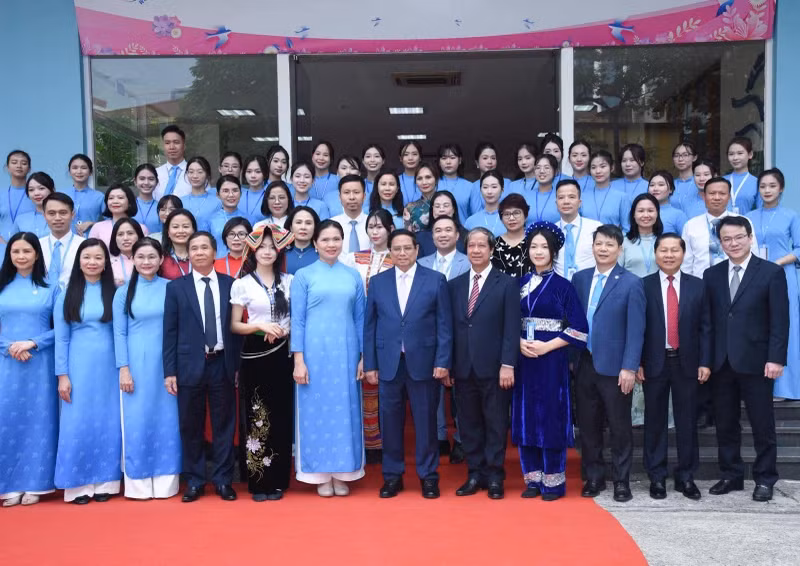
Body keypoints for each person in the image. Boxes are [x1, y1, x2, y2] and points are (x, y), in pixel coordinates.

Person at [704, 216, 789, 502]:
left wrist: (776, 358)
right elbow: (709, 322)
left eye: (738, 237)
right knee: (726, 423)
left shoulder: (770, 272)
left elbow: (780, 320)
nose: (733, 243)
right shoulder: (712, 275)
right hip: (722, 361)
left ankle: (765, 478)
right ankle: (731, 474)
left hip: (757, 361)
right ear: (720, 243)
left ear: (750, 237)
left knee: (762, 423)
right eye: (726, 239)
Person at [363, 229, 452, 499]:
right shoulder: (378, 282)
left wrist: (443, 361)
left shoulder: (435, 280)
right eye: (397, 249)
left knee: (425, 422)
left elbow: (444, 325)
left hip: (425, 363)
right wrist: (370, 363)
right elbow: (370, 325)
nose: (402, 253)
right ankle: (392, 476)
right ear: (390, 252)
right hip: (389, 363)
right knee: (389, 422)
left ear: (416, 250)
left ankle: (428, 476)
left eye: (407, 248)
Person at [163, 231, 242, 502]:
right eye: (193, 248)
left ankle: (223, 480)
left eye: (204, 248)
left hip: (223, 363)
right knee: (190, 425)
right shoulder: (176, 288)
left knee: (224, 425)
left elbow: (237, 330)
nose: (198, 252)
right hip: (188, 365)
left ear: (213, 251)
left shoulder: (231, 284)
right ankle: (195, 480)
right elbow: (169, 332)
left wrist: (238, 366)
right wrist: (169, 371)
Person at [290, 220, 366, 496]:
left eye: (336, 239)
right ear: (315, 244)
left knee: (345, 411)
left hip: (345, 354)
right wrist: (299, 359)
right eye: (325, 240)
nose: (331, 244)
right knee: (315, 411)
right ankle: (319, 474)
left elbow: (360, 319)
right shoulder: (304, 275)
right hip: (313, 354)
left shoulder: (352, 275)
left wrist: (362, 356)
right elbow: (297, 321)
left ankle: (344, 472)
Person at [572, 224, 645, 503]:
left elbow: (636, 329)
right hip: (584, 363)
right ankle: (594, 477)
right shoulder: (579, 279)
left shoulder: (631, 282)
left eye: (609, 245)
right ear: (592, 247)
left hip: (616, 368)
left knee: (619, 426)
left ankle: (621, 481)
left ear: (619, 249)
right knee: (588, 426)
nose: (603, 249)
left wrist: (629, 367)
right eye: (599, 244)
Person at [515, 222, 588, 500]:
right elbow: (509, 321)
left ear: (554, 251)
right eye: (533, 246)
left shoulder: (563, 287)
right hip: (524, 359)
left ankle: (554, 481)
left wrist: (547, 347)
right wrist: (518, 342)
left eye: (544, 247)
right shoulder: (519, 283)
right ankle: (532, 478)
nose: (538, 251)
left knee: (551, 417)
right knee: (526, 416)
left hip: (551, 359)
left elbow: (579, 328)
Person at [449, 227, 519, 499]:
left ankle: (494, 476)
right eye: (471, 246)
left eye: (481, 245)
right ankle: (474, 473)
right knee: (468, 424)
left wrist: (508, 364)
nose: (476, 250)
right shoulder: (454, 285)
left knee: (495, 422)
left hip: (495, 368)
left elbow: (512, 328)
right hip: (463, 367)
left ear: (491, 250)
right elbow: (451, 328)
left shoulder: (507, 283)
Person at [639, 233, 710, 501]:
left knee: (687, 421)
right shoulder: (642, 286)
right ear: (655, 254)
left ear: (683, 254)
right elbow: (638, 328)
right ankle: (656, 477)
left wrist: (705, 361)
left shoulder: (698, 286)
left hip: (687, 362)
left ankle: (686, 476)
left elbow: (706, 327)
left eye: (674, 250)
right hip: (654, 363)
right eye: (663, 250)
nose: (669, 255)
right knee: (655, 422)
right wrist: (637, 362)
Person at [113, 237, 181, 499]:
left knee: (168, 419)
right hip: (136, 365)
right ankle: (138, 482)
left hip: (166, 364)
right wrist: (124, 368)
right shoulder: (123, 292)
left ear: (161, 259)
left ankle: (166, 482)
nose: (146, 262)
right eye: (140, 257)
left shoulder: (172, 288)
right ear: (132, 259)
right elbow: (119, 333)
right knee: (138, 420)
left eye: (152, 256)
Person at [54, 238, 121, 503]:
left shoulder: (115, 293)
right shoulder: (66, 293)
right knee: (77, 423)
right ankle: (77, 484)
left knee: (108, 422)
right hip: (77, 367)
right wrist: (63, 375)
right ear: (78, 262)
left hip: (109, 367)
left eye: (98, 258)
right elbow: (61, 338)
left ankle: (106, 481)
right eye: (87, 257)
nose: (92, 262)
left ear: (106, 263)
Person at [231, 224, 295, 501]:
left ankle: (279, 479)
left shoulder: (290, 281)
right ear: (253, 251)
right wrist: (261, 326)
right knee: (257, 416)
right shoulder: (241, 283)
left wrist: (281, 330)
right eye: (263, 247)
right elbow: (234, 325)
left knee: (281, 415)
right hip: (255, 351)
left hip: (283, 350)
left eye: (272, 247)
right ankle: (259, 482)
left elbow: (297, 319)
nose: (267, 251)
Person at [0, 233, 58, 507]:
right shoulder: (2, 286)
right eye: (15, 251)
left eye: (27, 251)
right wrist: (10, 347)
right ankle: (8, 484)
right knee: (7, 421)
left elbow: (61, 329)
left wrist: (33, 342)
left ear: (37, 254)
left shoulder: (51, 288)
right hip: (6, 364)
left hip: (40, 364)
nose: (21, 256)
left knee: (39, 421)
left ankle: (36, 482)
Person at [342, 208, 395, 463]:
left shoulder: (399, 257)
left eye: (380, 227)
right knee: (363, 387)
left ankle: (386, 443)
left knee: (386, 387)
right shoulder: (353, 258)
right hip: (358, 328)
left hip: (388, 331)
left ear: (390, 229)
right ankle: (368, 443)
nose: (375, 232)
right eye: (371, 227)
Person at [419, 215, 470, 463]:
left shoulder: (469, 261)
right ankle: (439, 437)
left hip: (461, 332)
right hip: (429, 333)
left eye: (448, 230)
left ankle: (461, 437)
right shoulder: (422, 263)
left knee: (461, 387)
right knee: (433, 386)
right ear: (432, 236)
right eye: (437, 230)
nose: (443, 234)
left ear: (457, 235)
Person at [746, 168, 800, 399]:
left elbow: (798, 249)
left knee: (785, 325)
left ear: (781, 189)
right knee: (756, 324)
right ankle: (757, 384)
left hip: (782, 275)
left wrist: (776, 263)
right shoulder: (749, 216)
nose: (767, 190)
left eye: (772, 186)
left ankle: (786, 387)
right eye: (763, 186)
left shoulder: (791, 215)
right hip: (755, 276)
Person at [681, 177, 759, 278]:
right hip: (700, 285)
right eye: (712, 193)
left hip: (736, 283)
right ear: (704, 197)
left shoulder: (743, 222)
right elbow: (686, 263)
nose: (717, 198)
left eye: (722, 194)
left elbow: (754, 255)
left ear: (729, 197)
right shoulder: (691, 226)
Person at [553, 180, 601, 280]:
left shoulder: (595, 228)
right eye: (561, 197)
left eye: (571, 197)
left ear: (579, 202)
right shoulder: (551, 231)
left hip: (588, 286)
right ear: (556, 203)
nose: (566, 201)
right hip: (559, 289)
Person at [40, 193, 85, 288]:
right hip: (42, 300)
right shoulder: (37, 246)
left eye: (63, 213)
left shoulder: (84, 245)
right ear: (44, 216)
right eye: (51, 213)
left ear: (72, 215)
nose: (57, 218)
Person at [582, 151, 630, 231]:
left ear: (612, 168)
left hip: (612, 241)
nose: (598, 171)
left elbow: (626, 229)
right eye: (593, 167)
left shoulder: (622, 197)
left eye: (602, 166)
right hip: (587, 241)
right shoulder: (582, 196)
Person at [619, 193, 662, 278]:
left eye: (650, 211)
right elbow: (617, 272)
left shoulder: (664, 242)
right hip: (631, 289)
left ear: (657, 213)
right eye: (641, 211)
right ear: (634, 214)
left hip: (659, 290)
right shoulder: (623, 242)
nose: (646, 215)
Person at [413, 190, 466, 257]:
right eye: (437, 206)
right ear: (432, 210)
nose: (441, 209)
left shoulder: (466, 236)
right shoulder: (420, 237)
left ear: (453, 209)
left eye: (446, 206)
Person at [510, 154, 560, 224]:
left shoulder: (560, 196)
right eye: (538, 168)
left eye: (547, 167)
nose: (542, 171)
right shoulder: (525, 196)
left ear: (555, 171)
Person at [63, 154, 105, 236]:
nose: (79, 171)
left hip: (91, 241)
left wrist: (93, 223)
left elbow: (110, 221)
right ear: (69, 171)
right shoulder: (61, 195)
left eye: (83, 168)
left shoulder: (99, 197)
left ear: (90, 172)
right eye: (75, 168)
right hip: (66, 240)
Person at [491, 193, 530, 277]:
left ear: (526, 215)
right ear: (501, 219)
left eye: (516, 213)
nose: (511, 218)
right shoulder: (494, 244)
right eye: (507, 214)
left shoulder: (533, 242)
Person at [331, 175, 369, 260]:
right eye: (346, 192)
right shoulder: (331, 225)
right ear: (339, 197)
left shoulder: (373, 224)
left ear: (364, 196)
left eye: (356, 192)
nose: (352, 197)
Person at [208, 175, 247, 257]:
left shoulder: (250, 219)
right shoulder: (210, 220)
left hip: (244, 266)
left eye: (235, 190)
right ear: (218, 195)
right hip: (218, 266)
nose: (231, 195)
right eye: (225, 191)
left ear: (241, 193)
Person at [469, 142, 512, 214]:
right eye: (485, 158)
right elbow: (475, 213)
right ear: (477, 163)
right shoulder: (473, 186)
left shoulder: (508, 183)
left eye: (493, 158)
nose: (490, 162)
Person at [1, 150, 33, 241]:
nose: (19, 166)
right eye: (14, 162)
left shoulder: (36, 195)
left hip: (28, 245)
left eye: (24, 163)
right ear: (7, 167)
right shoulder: (1, 195)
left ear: (29, 168)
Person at [181, 156, 220, 231]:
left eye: (200, 172)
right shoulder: (180, 201)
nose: (195, 176)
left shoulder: (217, 202)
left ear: (207, 175)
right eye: (191, 172)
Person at [154, 125, 190, 199]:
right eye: (167, 143)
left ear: (184, 146)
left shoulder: (194, 172)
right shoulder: (156, 173)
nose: (171, 147)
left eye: (176, 142)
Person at [465, 170, 505, 237]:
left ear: (502, 190)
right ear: (480, 190)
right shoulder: (471, 221)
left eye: (494, 187)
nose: (489, 191)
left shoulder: (509, 219)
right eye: (485, 187)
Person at [724, 137, 759, 213]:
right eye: (731, 154)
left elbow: (760, 210)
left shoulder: (757, 183)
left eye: (740, 153)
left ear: (750, 154)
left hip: (747, 224)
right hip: (724, 224)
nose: (735, 158)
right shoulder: (722, 181)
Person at [159, 209, 197, 280]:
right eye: (175, 227)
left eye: (185, 226)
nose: (181, 231)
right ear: (168, 232)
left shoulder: (201, 255)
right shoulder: (160, 258)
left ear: (193, 230)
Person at [437, 143, 472, 219]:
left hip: (463, 230)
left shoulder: (470, 186)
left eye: (452, 158)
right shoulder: (432, 184)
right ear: (439, 162)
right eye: (444, 158)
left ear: (459, 160)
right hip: (438, 229)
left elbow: (474, 216)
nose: (448, 162)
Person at [14, 172, 54, 237]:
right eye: (31, 190)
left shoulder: (62, 217)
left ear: (52, 190)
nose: (36, 193)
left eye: (41, 188)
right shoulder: (21, 220)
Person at [648, 170, 688, 235]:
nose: (655, 188)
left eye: (661, 185)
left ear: (671, 189)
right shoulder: (642, 212)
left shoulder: (678, 215)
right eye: (652, 185)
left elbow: (686, 241)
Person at [284, 206, 320, 274]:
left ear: (315, 227)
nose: (303, 227)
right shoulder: (281, 255)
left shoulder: (322, 255)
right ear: (291, 227)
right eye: (298, 222)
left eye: (308, 223)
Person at [404, 162, 438, 233]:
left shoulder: (445, 203)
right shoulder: (410, 207)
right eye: (419, 178)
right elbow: (407, 235)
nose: (424, 182)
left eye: (428, 177)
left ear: (436, 179)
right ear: (415, 182)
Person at [109, 218, 144, 287]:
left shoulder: (148, 261)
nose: (125, 238)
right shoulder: (107, 264)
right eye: (120, 234)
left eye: (130, 233)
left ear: (139, 236)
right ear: (114, 238)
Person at [131, 164, 161, 234]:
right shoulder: (128, 206)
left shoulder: (162, 207)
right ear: (135, 182)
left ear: (156, 182)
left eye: (151, 179)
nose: (146, 183)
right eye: (142, 179)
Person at [241, 155, 268, 226]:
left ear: (265, 174)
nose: (253, 175)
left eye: (258, 172)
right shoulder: (238, 195)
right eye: (249, 171)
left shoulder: (270, 196)